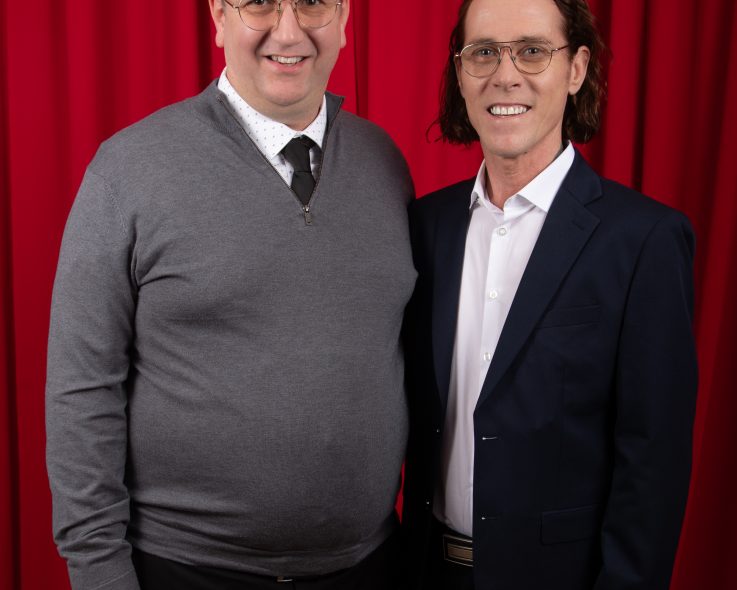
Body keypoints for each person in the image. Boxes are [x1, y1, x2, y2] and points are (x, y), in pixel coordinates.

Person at [46, 1, 416, 589]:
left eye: (312, 3)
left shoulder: (384, 162)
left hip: (370, 566)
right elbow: (81, 389)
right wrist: (100, 574)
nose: (288, 32)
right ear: (218, 16)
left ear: (344, 19)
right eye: (259, 3)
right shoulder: (129, 170)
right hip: (182, 570)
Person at [401, 0, 698, 588]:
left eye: (532, 51)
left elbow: (653, 462)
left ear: (577, 69)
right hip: (426, 570)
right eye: (484, 52)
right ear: (460, 73)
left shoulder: (644, 241)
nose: (505, 75)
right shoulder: (424, 226)